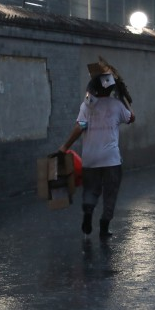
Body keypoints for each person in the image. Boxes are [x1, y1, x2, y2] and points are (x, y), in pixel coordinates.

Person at [59, 60, 135, 238]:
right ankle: (104, 225)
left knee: (91, 190)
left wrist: (64, 147)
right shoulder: (117, 105)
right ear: (111, 88)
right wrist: (124, 97)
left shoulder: (87, 106)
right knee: (110, 191)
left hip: (90, 158)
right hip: (111, 159)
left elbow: (80, 127)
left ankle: (88, 213)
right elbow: (132, 118)